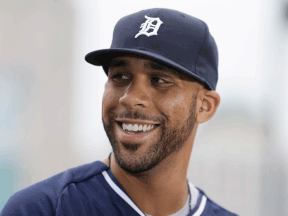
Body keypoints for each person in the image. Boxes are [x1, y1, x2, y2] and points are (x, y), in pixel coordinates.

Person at [1, 8, 238, 216]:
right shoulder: (42, 209)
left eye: (159, 80)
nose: (130, 98)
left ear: (204, 106)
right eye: (120, 77)